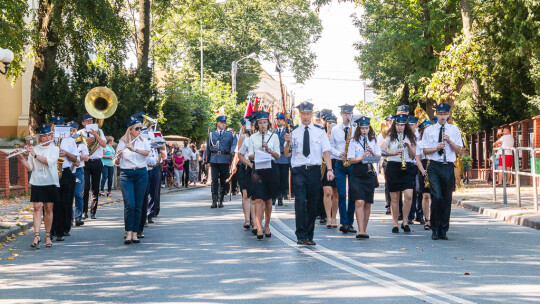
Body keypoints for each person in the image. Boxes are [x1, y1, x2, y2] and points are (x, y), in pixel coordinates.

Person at [284, 101, 334, 246]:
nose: (305, 117)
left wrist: (330, 170)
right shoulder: (292, 133)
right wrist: (287, 142)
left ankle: (309, 235)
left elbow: (326, 152)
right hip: (299, 170)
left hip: (314, 170)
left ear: (311, 115)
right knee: (300, 201)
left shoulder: (320, 131)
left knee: (312, 203)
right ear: (299, 115)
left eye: (308, 114)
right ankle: (300, 234)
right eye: (303, 114)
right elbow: (286, 154)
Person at [421, 103, 464, 240]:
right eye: (440, 114)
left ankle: (443, 229)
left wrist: (450, 142)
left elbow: (459, 150)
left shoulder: (454, 130)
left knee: (446, 198)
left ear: (448, 115)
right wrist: (436, 147)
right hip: (434, 166)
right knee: (437, 196)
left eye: (445, 114)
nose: (443, 116)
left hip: (448, 166)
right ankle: (434, 228)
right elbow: (425, 151)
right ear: (437, 115)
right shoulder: (429, 130)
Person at [15, 124, 60, 248]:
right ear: (40, 137)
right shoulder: (35, 148)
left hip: (50, 181)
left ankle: (47, 235)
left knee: (49, 208)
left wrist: (34, 154)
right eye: (44, 136)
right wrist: (21, 158)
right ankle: (36, 235)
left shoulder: (54, 149)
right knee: (36, 207)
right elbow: (30, 167)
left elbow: (48, 162)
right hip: (37, 181)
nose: (47, 137)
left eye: (49, 135)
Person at [114, 116, 150, 244]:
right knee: (130, 204)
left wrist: (134, 149)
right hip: (127, 175)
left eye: (140, 128)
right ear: (130, 130)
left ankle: (135, 233)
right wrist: (118, 156)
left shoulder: (144, 141)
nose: (140, 130)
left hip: (141, 173)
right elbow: (116, 162)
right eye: (137, 128)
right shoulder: (122, 142)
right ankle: (128, 232)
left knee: (139, 205)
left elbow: (147, 153)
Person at [379, 113, 417, 233]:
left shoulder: (411, 138)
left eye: (402, 125)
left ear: (406, 126)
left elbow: (413, 155)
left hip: (407, 166)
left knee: (409, 195)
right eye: (398, 125)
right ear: (395, 125)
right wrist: (393, 153)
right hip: (393, 167)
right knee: (394, 197)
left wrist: (408, 146)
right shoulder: (390, 136)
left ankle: (405, 221)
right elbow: (381, 150)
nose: (400, 127)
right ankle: (395, 223)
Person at [247, 112, 280, 239]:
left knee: (268, 200)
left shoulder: (274, 137)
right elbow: (249, 155)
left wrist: (268, 150)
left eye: (264, 122)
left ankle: (267, 225)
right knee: (258, 199)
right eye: (260, 123)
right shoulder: (252, 138)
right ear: (257, 125)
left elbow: (278, 155)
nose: (262, 125)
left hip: (270, 168)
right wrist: (258, 152)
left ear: (268, 123)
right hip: (258, 168)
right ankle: (259, 226)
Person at [347, 116, 381, 239]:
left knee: (367, 203)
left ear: (369, 128)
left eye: (366, 128)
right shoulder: (353, 141)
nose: (364, 130)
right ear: (359, 129)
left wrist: (371, 153)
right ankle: (360, 230)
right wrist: (361, 158)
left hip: (369, 172)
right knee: (359, 201)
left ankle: (364, 230)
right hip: (357, 172)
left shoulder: (373, 141)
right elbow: (350, 159)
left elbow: (377, 158)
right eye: (362, 128)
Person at [50, 116, 80, 241]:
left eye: (60, 124)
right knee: (51, 203)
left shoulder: (70, 140)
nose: (57, 127)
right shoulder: (48, 139)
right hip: (51, 172)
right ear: (52, 126)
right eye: (55, 124)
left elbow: (77, 161)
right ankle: (51, 229)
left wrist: (66, 153)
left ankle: (61, 230)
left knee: (64, 202)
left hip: (66, 173)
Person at [330, 104, 357, 233]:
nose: (348, 116)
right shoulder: (335, 129)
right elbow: (331, 147)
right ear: (341, 114)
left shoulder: (356, 128)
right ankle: (344, 222)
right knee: (341, 194)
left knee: (352, 195)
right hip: (340, 163)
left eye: (350, 114)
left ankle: (350, 222)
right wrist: (338, 153)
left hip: (352, 163)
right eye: (346, 114)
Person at [79, 113, 107, 220]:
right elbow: (76, 147)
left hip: (97, 162)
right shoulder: (80, 133)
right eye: (87, 121)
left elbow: (104, 145)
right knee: (85, 188)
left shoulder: (100, 132)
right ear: (83, 123)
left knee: (95, 188)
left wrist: (95, 135)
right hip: (85, 162)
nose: (89, 123)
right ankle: (84, 212)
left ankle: (93, 212)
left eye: (91, 121)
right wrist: (86, 141)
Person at [205, 115, 237, 208]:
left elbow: (232, 146)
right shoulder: (211, 134)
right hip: (214, 159)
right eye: (221, 122)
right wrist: (207, 161)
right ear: (217, 123)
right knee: (214, 180)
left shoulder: (229, 134)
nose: (223, 124)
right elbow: (208, 147)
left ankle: (221, 200)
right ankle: (214, 200)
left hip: (224, 159)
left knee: (224, 180)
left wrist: (231, 158)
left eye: (224, 123)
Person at [69, 121, 88, 227]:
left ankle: (78, 217)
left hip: (79, 170)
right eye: (70, 130)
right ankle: (70, 217)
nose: (72, 132)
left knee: (78, 194)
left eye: (74, 130)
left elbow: (86, 157)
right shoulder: (64, 141)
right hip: (69, 170)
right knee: (69, 195)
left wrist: (75, 156)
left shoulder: (81, 141)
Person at [321, 113, 339, 228]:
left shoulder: (339, 134)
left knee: (335, 193)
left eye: (333, 123)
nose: (331, 125)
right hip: (325, 164)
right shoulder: (322, 135)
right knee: (327, 191)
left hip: (337, 163)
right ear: (326, 124)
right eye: (329, 123)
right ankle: (328, 216)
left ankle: (334, 217)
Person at [415, 119, 433, 230]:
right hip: (423, 166)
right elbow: (418, 159)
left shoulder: (435, 142)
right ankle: (427, 220)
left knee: (435, 195)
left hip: (434, 166)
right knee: (425, 195)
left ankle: (435, 218)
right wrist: (422, 171)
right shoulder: (420, 143)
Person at [274, 112, 291, 206]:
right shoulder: (273, 132)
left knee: (283, 179)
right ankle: (274, 196)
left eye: (281, 119)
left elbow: (289, 147)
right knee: (275, 178)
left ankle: (280, 196)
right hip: (275, 158)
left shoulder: (287, 132)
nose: (279, 121)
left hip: (284, 158)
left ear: (284, 122)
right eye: (278, 119)